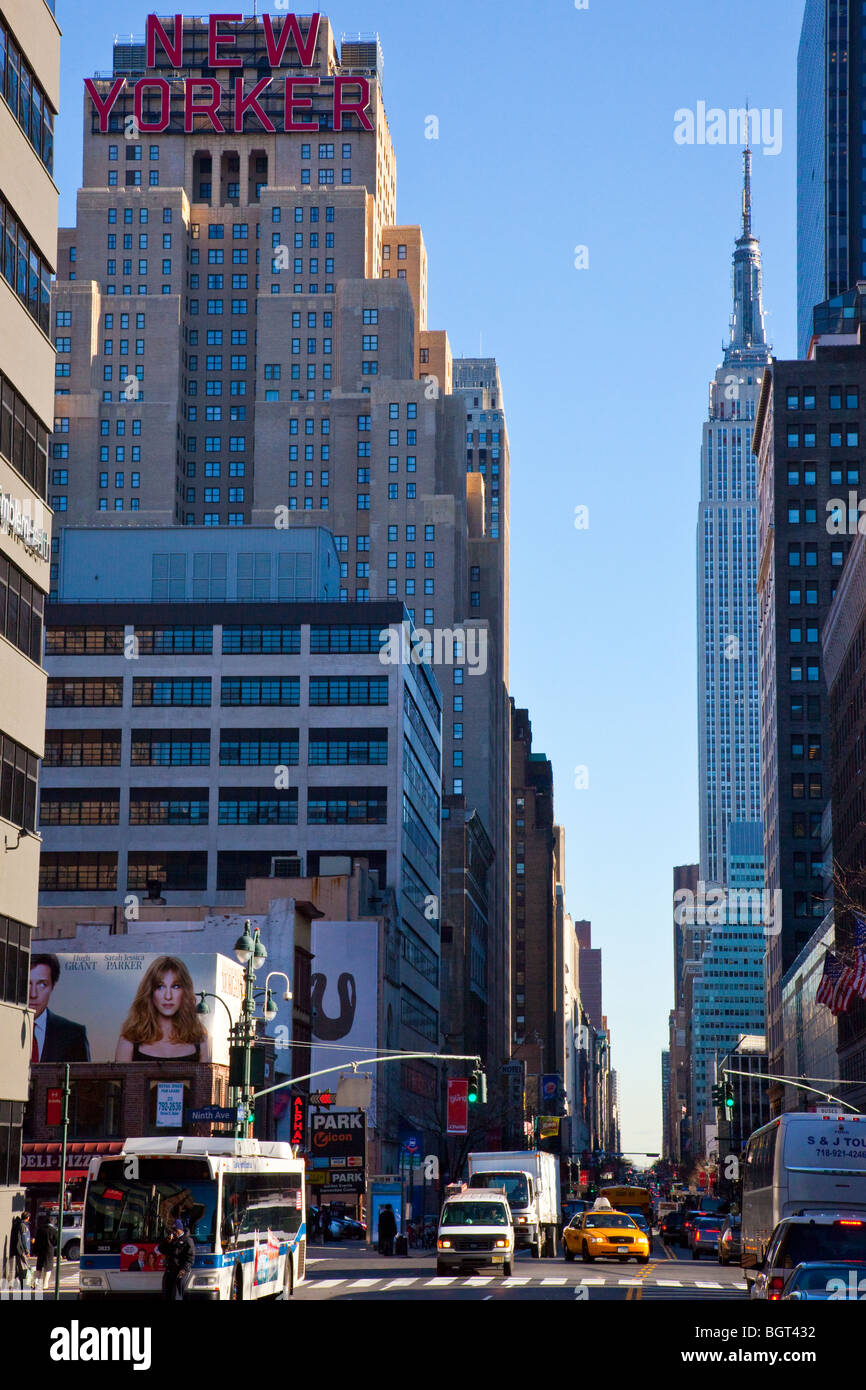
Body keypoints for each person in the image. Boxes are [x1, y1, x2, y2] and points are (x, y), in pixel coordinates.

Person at [115, 956, 210, 1062]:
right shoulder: (128, 1042)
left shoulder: (201, 1042)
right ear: (150, 991)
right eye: (160, 986)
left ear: (185, 992)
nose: (168, 996)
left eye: (176, 986)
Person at [29, 955, 90, 1063]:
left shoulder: (74, 1034)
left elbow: (82, 1079)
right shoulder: (5, 1027)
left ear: (52, 986)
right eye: (27, 984)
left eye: (42, 984)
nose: (33, 994)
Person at [157, 1220, 196, 1300]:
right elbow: (161, 1249)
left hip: (180, 1272)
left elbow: (190, 1257)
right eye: (173, 1230)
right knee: (167, 1294)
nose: (174, 1232)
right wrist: (167, 1242)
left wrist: (183, 1269)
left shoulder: (187, 1240)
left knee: (177, 1295)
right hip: (169, 1271)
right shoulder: (171, 1240)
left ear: (180, 1229)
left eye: (176, 1230)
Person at [34, 1214, 57, 1292]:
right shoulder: (54, 1230)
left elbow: (36, 1241)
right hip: (49, 1250)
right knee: (48, 1268)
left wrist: (35, 1250)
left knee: (39, 1267)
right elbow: (56, 1242)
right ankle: (45, 1285)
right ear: (52, 1222)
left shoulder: (40, 1230)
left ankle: (35, 1283)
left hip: (41, 1250)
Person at [12, 1211, 31, 1291]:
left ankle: (21, 1284)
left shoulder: (20, 1224)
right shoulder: (23, 1226)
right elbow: (24, 1239)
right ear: (27, 1217)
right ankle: (24, 1284)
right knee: (24, 1267)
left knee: (20, 1267)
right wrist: (27, 1250)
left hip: (19, 1249)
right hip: (22, 1250)